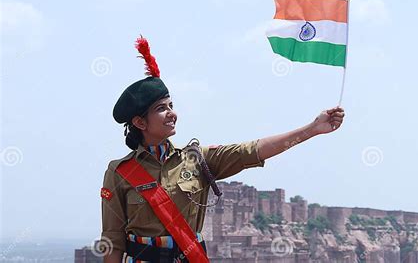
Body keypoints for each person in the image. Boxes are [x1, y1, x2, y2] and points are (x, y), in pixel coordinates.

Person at [100, 36, 345, 263]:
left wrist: (311, 129)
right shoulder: (120, 172)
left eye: (171, 105)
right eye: (161, 108)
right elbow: (112, 239)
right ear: (140, 122)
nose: (172, 113)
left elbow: (252, 150)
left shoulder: (197, 160)